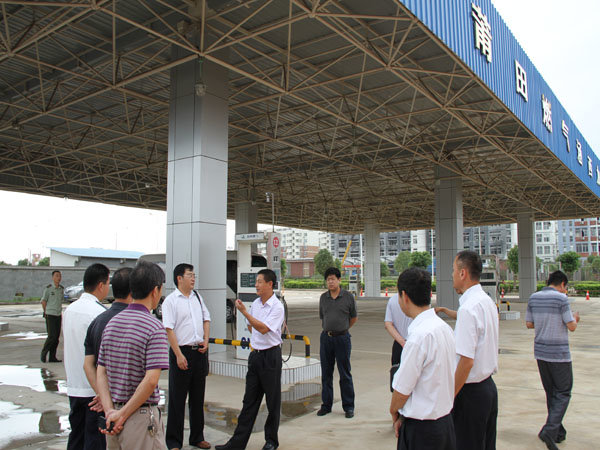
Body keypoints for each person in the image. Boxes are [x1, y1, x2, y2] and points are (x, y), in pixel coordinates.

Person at [96, 260, 170, 450]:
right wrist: (123, 415)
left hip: (113, 419)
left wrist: (110, 411)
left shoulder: (112, 323)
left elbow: (101, 371)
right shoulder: (154, 327)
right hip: (139, 419)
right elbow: (151, 380)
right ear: (155, 291)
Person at [435, 250, 499, 450]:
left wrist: (449, 396)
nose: (452, 275)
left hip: (470, 394)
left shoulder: (469, 309)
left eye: (454, 270)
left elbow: (466, 361)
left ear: (463, 273)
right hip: (488, 389)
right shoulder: (487, 301)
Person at [216, 269, 285, 450]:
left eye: (260, 281)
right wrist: (248, 316)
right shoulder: (256, 303)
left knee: (272, 401)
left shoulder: (277, 307)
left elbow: (263, 329)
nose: (256, 285)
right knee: (249, 402)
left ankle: (271, 441)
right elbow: (251, 327)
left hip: (271, 357)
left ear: (270, 284)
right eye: (256, 281)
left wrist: (245, 313)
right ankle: (237, 444)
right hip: (256, 356)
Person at [390, 268, 456, 450]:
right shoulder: (445, 328)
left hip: (422, 431)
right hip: (445, 424)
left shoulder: (418, 337)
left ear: (404, 296)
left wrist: (394, 411)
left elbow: (402, 390)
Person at [526, 270, 580, 450]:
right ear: (562, 284)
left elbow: (529, 324)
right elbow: (571, 326)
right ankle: (549, 431)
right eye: (566, 287)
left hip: (541, 352)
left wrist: (544, 322)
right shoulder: (561, 299)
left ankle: (558, 432)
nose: (565, 291)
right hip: (559, 354)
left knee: (552, 393)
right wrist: (575, 319)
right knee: (563, 392)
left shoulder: (533, 297)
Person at [162, 264, 211, 450]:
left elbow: (206, 319)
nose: (193, 278)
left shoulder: (197, 297)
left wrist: (206, 340)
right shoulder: (171, 301)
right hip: (181, 353)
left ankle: (197, 437)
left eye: (194, 275)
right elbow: (169, 329)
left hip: (199, 353)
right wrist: (178, 355)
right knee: (177, 399)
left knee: (198, 398)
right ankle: (174, 442)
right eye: (190, 275)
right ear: (179, 278)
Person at [63, 263, 109, 450]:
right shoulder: (99, 313)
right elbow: (100, 355)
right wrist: (103, 393)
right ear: (100, 285)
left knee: (76, 436)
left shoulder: (69, 310)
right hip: (93, 390)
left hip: (74, 386)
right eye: (107, 283)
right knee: (94, 440)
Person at [83, 268, 133, 409]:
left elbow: (88, 365)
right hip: (129, 406)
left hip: (104, 404)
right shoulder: (138, 322)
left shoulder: (97, 321)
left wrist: (103, 398)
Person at [316, 267, 357, 418]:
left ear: (339, 280)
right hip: (326, 338)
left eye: (333, 279)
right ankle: (326, 405)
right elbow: (323, 316)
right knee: (326, 373)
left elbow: (353, 318)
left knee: (344, 373)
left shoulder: (348, 297)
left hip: (342, 339)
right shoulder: (323, 298)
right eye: (328, 279)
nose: (330, 282)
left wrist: (342, 329)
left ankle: (348, 407)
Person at [384, 291, 412, 391]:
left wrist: (401, 342)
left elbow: (388, 324)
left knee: (397, 381)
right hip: (415, 343)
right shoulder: (420, 298)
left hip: (398, 345)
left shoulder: (392, 300)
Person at [41, 270, 64, 363]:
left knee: (56, 338)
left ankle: (52, 357)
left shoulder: (61, 289)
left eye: (60, 276)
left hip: (58, 314)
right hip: (50, 314)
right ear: (53, 277)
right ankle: (44, 353)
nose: (59, 278)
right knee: (51, 336)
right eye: (57, 276)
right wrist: (45, 312)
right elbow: (43, 301)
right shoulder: (48, 289)